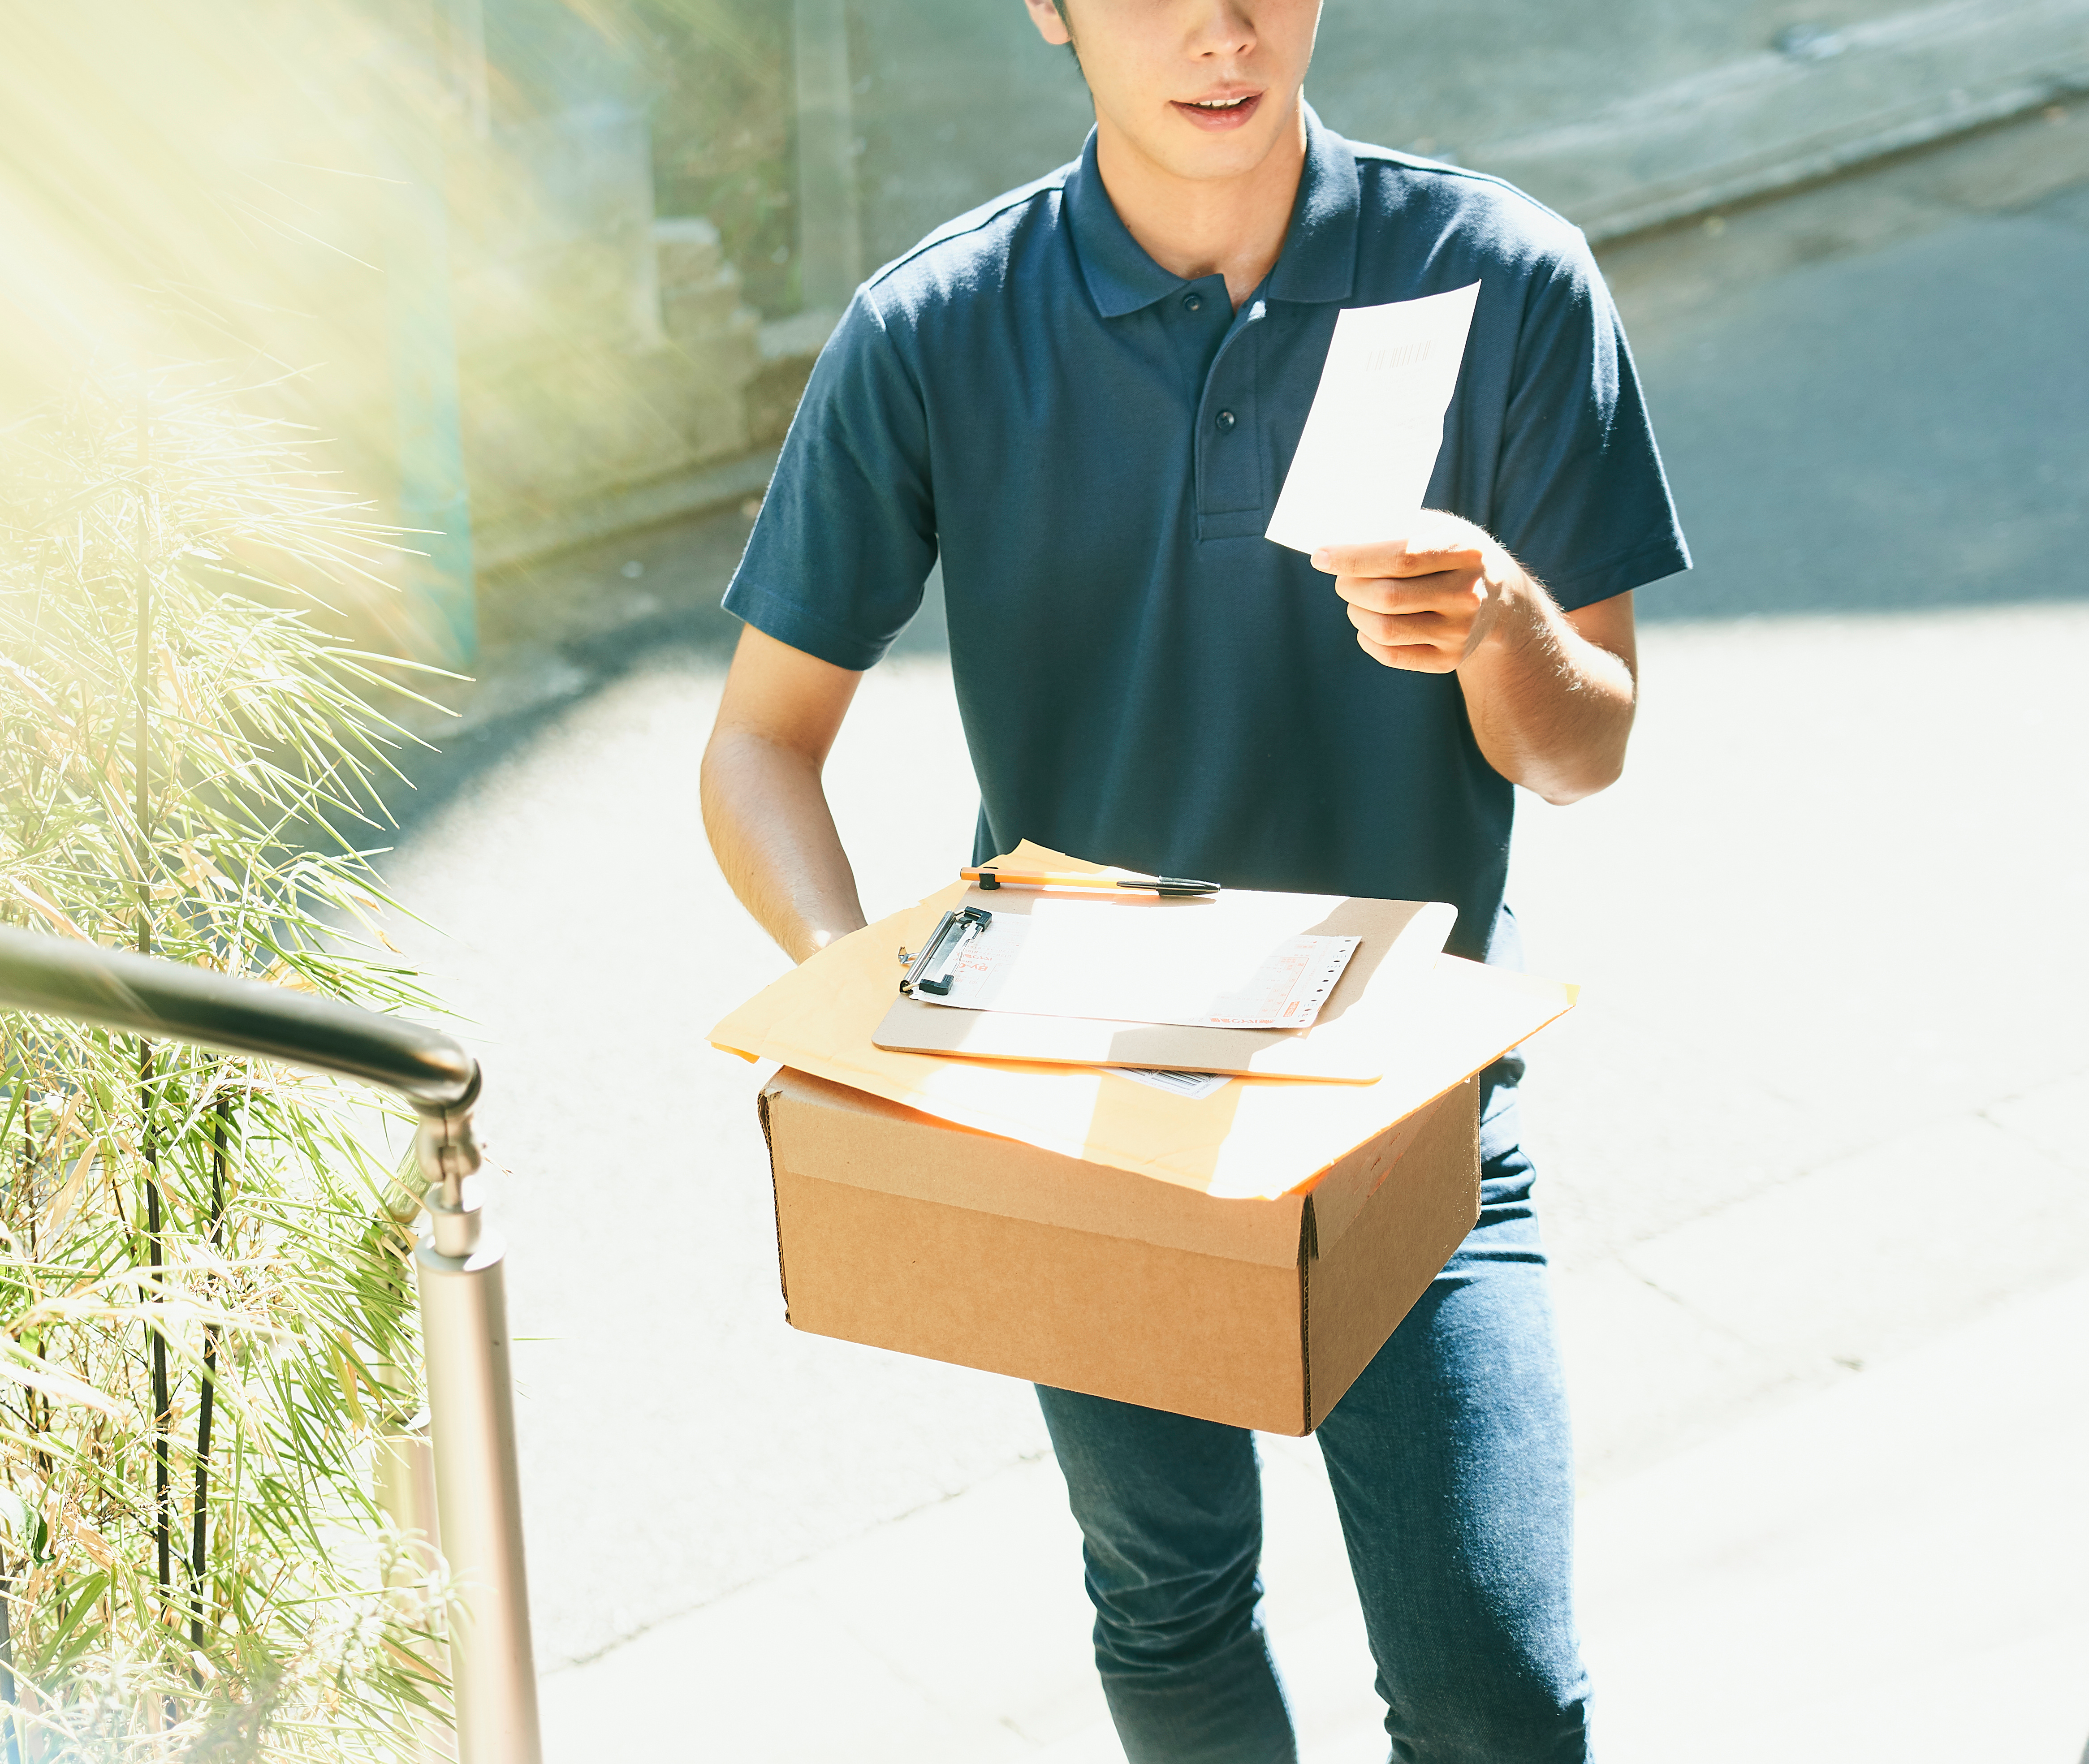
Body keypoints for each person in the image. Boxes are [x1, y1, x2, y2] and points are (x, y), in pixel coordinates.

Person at [698, 0, 1688, 1759]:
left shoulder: (1503, 275)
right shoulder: (936, 328)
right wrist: (873, 1019)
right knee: (1168, 1609)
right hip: (1086, 1120)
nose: (1221, 29)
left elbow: (1585, 749)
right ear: (1053, 9)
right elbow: (760, 745)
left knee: (1500, 1697)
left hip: (1414, 1112)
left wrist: (1498, 619)